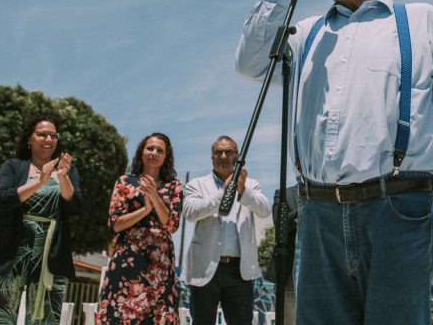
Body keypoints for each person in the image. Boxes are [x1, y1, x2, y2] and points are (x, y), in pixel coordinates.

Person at [236, 0, 433, 325]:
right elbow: (249, 63)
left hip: (398, 211)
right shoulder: (306, 34)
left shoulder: (421, 21)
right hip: (318, 214)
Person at [0, 115, 81, 324]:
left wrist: (62, 177)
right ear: (29, 139)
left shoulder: (68, 171)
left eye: (53, 135)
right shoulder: (13, 166)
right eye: (42, 134)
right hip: (10, 250)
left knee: (44, 319)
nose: (48, 139)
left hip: (50, 253)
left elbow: (75, 206)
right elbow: (1, 201)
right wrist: (39, 181)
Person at [182, 135, 271, 325]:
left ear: (237, 157)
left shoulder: (250, 184)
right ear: (212, 157)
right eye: (218, 152)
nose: (223, 156)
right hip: (204, 269)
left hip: (239, 270)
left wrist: (242, 192)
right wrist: (224, 192)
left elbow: (264, 209)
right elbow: (190, 212)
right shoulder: (196, 185)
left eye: (229, 152)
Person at [96, 133, 183, 324]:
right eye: (150, 148)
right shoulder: (124, 182)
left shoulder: (174, 186)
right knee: (121, 313)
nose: (154, 153)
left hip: (160, 261)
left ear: (166, 156)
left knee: (157, 315)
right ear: (141, 152)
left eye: (160, 150)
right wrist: (145, 210)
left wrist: (154, 197)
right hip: (129, 257)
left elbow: (171, 225)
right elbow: (116, 224)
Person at [265, 185, 299, 325]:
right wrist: (305, 208)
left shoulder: (327, 195)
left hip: (319, 271)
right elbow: (280, 226)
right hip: (288, 274)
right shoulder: (284, 194)